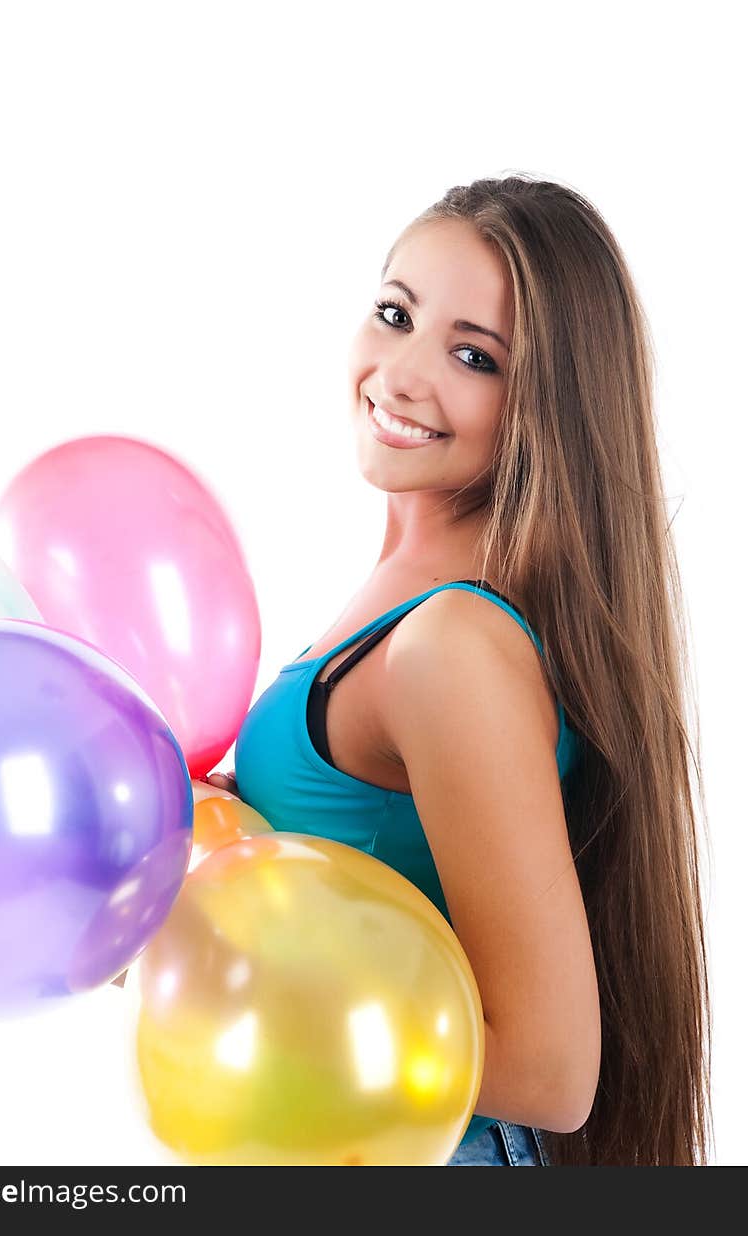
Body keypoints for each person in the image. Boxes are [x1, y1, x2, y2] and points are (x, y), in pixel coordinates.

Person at [199, 174, 712, 1167]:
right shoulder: (402, 595)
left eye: (473, 355)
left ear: (545, 409)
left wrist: (237, 967)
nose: (399, 372)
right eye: (394, 313)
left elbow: (552, 1071)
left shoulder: (450, 644)